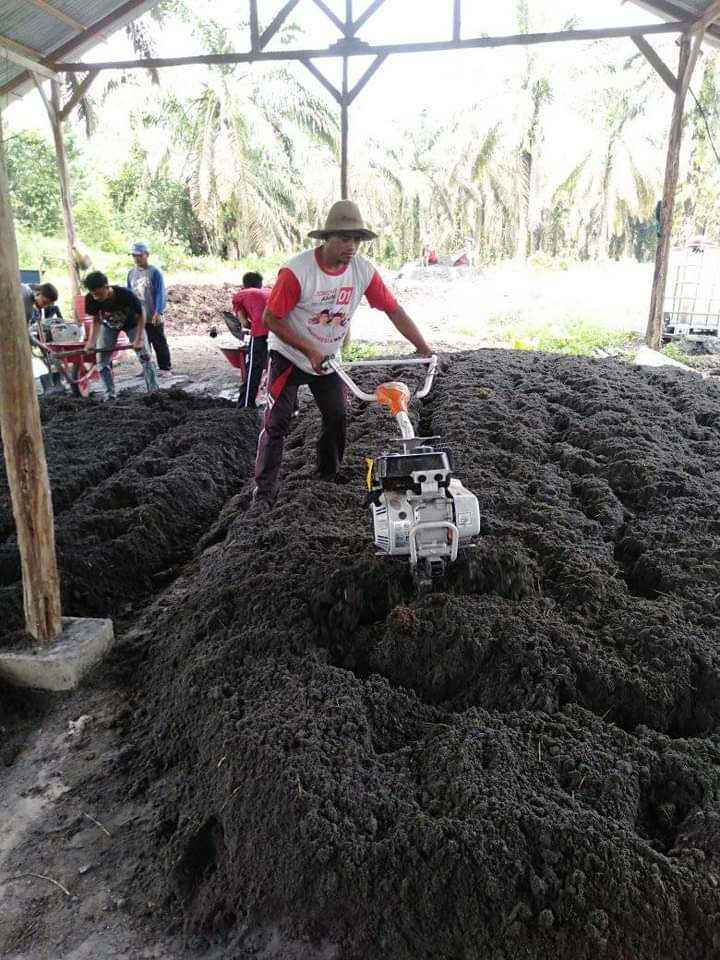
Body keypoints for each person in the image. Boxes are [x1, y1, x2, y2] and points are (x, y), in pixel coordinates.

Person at [252, 199, 433, 511]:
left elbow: (393, 309)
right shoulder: (298, 272)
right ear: (327, 239)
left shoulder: (363, 272)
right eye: (345, 239)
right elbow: (271, 319)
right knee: (277, 422)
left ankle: (326, 475)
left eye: (357, 240)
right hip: (289, 355)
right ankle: (264, 493)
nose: (352, 246)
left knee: (337, 416)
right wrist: (308, 350)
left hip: (327, 358)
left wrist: (423, 347)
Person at [82, 270, 159, 401]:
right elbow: (96, 320)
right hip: (109, 326)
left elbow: (142, 314)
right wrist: (91, 343)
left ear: (107, 287)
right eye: (93, 295)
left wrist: (139, 339)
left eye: (99, 294)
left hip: (133, 324)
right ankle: (110, 395)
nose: (96, 298)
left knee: (145, 356)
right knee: (101, 361)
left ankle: (154, 392)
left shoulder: (125, 294)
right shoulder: (91, 299)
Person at [127, 242, 172, 375]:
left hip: (153, 314)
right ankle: (147, 367)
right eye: (134, 255)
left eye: (139, 255)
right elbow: (130, 294)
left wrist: (158, 311)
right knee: (143, 343)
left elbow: (160, 293)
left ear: (147, 255)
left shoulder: (154, 272)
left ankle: (165, 368)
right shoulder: (131, 273)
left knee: (159, 341)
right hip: (139, 316)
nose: (136, 258)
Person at [231, 272, 270, 408]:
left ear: (244, 284)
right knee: (280, 368)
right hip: (282, 330)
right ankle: (291, 408)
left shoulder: (240, 295)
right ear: (261, 284)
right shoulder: (269, 291)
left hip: (261, 330)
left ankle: (246, 406)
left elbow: (245, 324)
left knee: (254, 369)